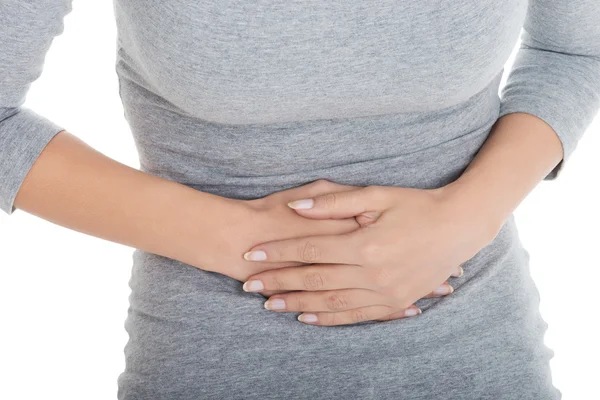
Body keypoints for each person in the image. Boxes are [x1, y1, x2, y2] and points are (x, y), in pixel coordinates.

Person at [1, 1, 598, 399]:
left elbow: (574, 49)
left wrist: (467, 216)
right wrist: (251, 245)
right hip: (212, 367)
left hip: (482, 359)